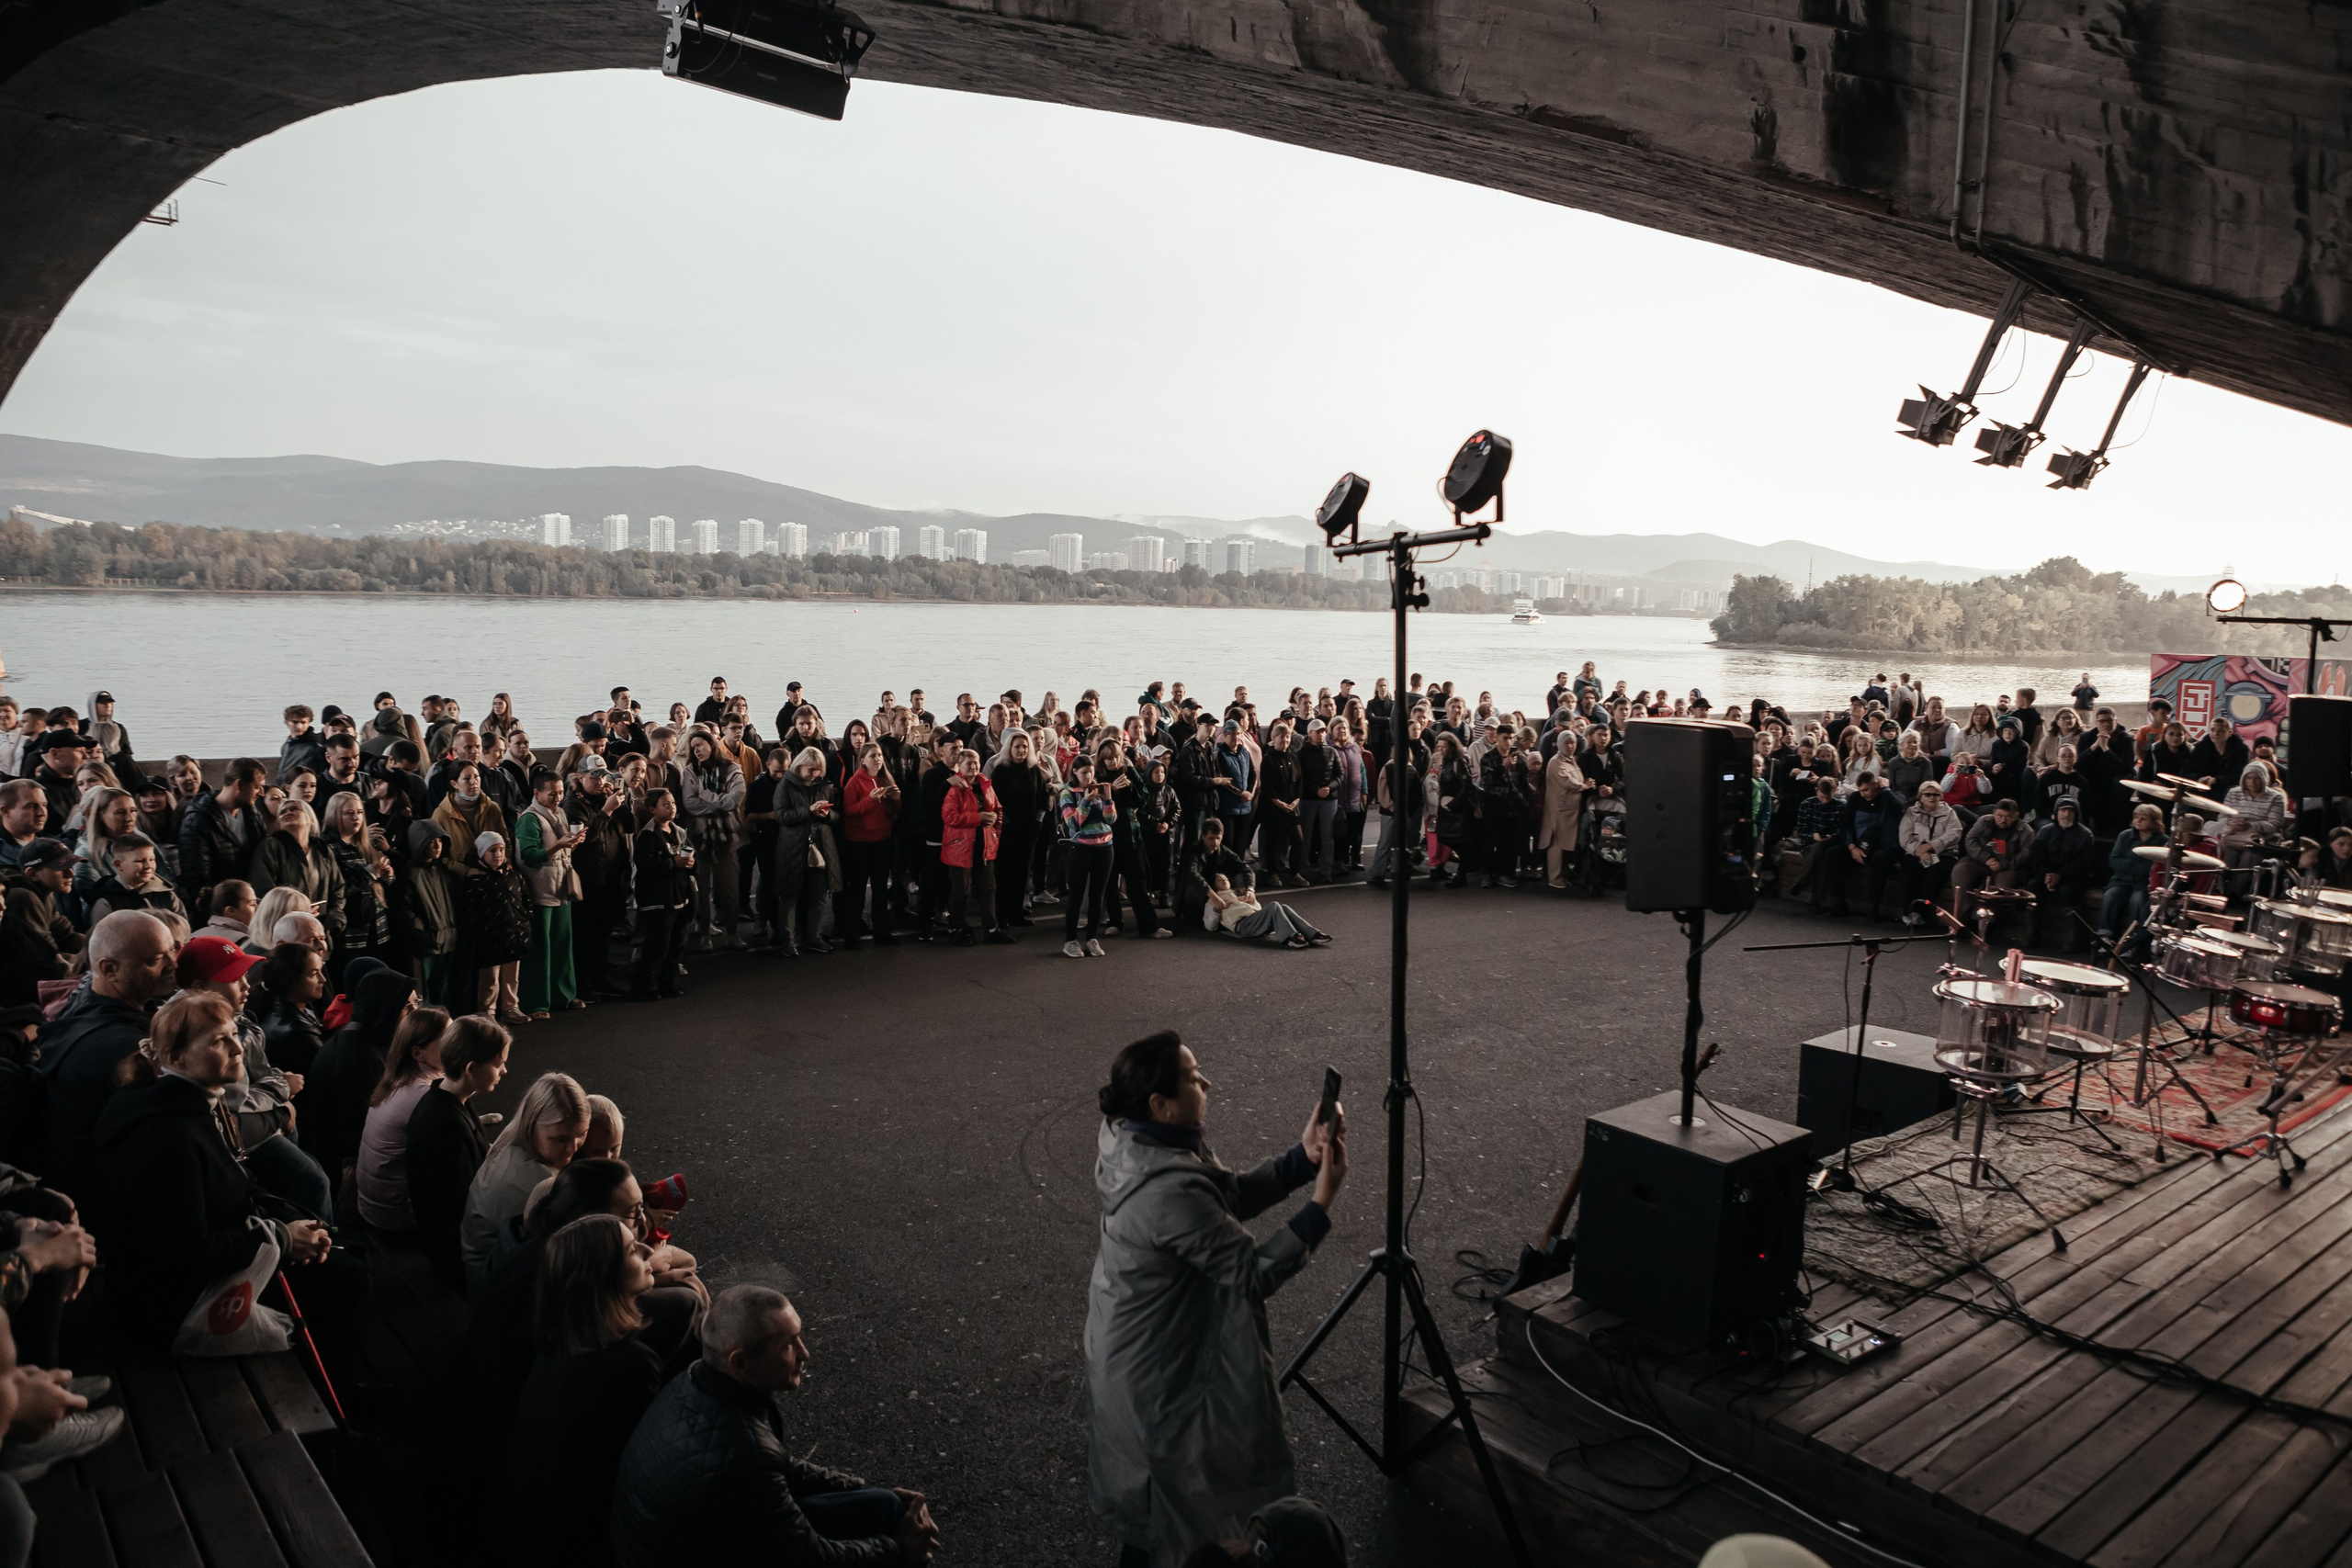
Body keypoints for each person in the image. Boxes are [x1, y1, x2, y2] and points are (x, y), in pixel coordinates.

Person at [1087, 1032, 1346, 1568]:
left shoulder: (1148, 1143)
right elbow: (1251, 1272)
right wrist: (1322, 1200)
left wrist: (1303, 1158)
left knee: (1165, 1512)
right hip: (1158, 1379)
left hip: (1149, 1359)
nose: (1206, 1081)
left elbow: (1223, 1198)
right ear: (1161, 1103)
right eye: (1192, 1075)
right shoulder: (1167, 1187)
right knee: (1168, 1510)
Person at [89, 992, 352, 1360]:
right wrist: (282, 1241)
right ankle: (337, 1394)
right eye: (218, 1040)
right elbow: (188, 1250)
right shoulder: (169, 1137)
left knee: (342, 1258)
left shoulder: (194, 1103)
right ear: (176, 1058)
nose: (237, 1047)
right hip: (171, 1308)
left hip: (196, 1273)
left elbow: (238, 1187)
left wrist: (293, 1223)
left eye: (233, 1034)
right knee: (347, 1281)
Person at [611, 1282, 938, 1568]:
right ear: (740, 1362)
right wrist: (898, 1550)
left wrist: (863, 1488)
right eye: (788, 1345)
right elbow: (810, 1558)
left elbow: (777, 1469)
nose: (804, 1353)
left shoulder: (695, 1381)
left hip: (682, 1546)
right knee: (899, 1540)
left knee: (886, 1505)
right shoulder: (742, 1453)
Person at [500, 1213, 667, 1568]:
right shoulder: (629, 1365)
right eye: (630, 1250)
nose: (645, 1247)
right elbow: (647, 1472)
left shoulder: (559, 1340)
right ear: (604, 1275)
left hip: (533, 1533)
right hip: (583, 1544)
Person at [30, 910, 177, 1199]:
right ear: (110, 969)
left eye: (172, 950)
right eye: (155, 959)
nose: (174, 964)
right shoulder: (128, 1052)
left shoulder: (84, 999)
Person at [461, 1071, 590, 1296]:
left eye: (582, 1134)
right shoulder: (536, 1184)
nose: (572, 1149)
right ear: (532, 1125)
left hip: (482, 1261)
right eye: (560, 1139)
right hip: (491, 1284)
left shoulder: (513, 1138)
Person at [405, 1012, 509, 1289]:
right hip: (457, 1257)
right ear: (471, 1069)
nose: (504, 1071)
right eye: (499, 1064)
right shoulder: (447, 1126)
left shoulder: (446, 1096)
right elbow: (457, 1210)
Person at [516, 768, 585, 1017]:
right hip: (540, 891)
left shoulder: (561, 813)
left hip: (561, 889)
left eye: (560, 793)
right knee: (541, 949)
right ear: (537, 793)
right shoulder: (529, 819)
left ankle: (564, 995)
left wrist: (572, 844)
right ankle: (536, 1002)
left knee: (562, 945)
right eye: (551, 794)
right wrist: (559, 845)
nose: (557, 798)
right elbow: (528, 856)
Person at [679, 731, 745, 952]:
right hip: (699, 839)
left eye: (701, 745)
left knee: (729, 890)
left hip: (727, 837)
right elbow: (690, 804)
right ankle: (705, 934)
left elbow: (735, 799)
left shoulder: (732, 768)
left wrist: (706, 795)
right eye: (693, 747)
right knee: (702, 890)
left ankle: (733, 933)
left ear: (712, 744)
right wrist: (720, 802)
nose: (697, 750)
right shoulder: (690, 770)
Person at [941, 747, 1012, 947]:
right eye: (968, 762)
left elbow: (997, 809)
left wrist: (995, 831)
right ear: (960, 766)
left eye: (975, 762)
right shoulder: (956, 788)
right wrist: (977, 818)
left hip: (984, 844)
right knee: (960, 889)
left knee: (988, 887)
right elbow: (949, 817)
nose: (973, 766)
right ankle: (957, 928)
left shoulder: (985, 784)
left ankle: (991, 928)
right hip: (960, 846)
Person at [631, 789, 696, 998]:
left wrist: (692, 863)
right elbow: (646, 866)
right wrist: (673, 862)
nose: (672, 807)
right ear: (652, 809)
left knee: (676, 946)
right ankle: (646, 987)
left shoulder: (679, 831)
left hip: (679, 897)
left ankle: (669, 984)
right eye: (665, 804)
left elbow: (692, 860)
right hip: (657, 901)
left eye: (673, 803)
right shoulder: (648, 835)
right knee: (657, 946)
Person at [0, 840, 81, 1007]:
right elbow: (49, 955)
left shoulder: (45, 892)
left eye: (71, 866)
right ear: (32, 874)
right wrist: (89, 962)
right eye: (61, 868)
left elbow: (67, 935)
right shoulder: (24, 897)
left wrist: (101, 946)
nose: (71, 874)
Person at [767, 752, 831, 959]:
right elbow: (782, 816)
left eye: (818, 769)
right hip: (792, 847)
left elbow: (837, 815)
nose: (815, 774)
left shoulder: (822, 785)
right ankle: (788, 941)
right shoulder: (785, 785)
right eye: (811, 769)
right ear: (799, 766)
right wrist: (809, 811)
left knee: (819, 894)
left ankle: (814, 936)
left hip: (818, 846)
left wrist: (828, 814)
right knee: (789, 895)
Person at [466, 832, 534, 1026]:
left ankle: (510, 1007)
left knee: (512, 977)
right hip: (491, 940)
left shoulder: (513, 875)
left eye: (501, 850)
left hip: (515, 935)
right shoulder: (476, 880)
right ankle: (487, 1012)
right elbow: (472, 912)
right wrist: (484, 931)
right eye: (492, 851)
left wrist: (525, 921)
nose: (498, 854)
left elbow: (526, 898)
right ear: (481, 854)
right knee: (490, 980)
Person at [394, 820, 461, 1005]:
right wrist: (424, 933)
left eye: (440, 840)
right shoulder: (411, 873)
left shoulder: (444, 871)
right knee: (427, 995)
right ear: (419, 843)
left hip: (448, 941)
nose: (437, 845)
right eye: (431, 840)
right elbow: (404, 909)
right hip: (426, 944)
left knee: (445, 993)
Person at [2024, 799, 2099, 951]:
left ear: (2077, 814)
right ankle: (2031, 935)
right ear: (2056, 813)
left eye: (2071, 811)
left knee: (2068, 891)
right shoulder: (2045, 831)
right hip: (2047, 875)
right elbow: (2037, 857)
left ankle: (2076, 940)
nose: (2066, 814)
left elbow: (2084, 864)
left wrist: (2060, 876)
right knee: (2032, 887)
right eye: (2063, 810)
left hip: (2075, 876)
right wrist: (2047, 876)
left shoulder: (2085, 835)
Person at [1060, 759, 1116, 959]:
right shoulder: (1068, 793)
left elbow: (1110, 820)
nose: (1089, 777)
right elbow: (1073, 823)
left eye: (1091, 772)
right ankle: (1071, 940)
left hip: (1104, 848)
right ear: (1074, 772)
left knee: (1097, 896)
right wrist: (1085, 800)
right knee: (1076, 896)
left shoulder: (1099, 790)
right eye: (1084, 773)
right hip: (1080, 848)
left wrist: (1108, 800)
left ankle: (1092, 937)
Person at [1894, 779, 1962, 914]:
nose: (1932, 797)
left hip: (1944, 854)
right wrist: (1918, 851)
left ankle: (1922, 912)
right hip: (1918, 853)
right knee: (1910, 868)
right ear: (1920, 797)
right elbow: (1905, 838)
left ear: (1941, 797)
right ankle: (1909, 912)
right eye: (1928, 794)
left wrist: (1931, 846)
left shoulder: (1949, 813)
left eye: (1936, 794)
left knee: (1934, 872)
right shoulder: (1911, 813)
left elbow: (1954, 834)